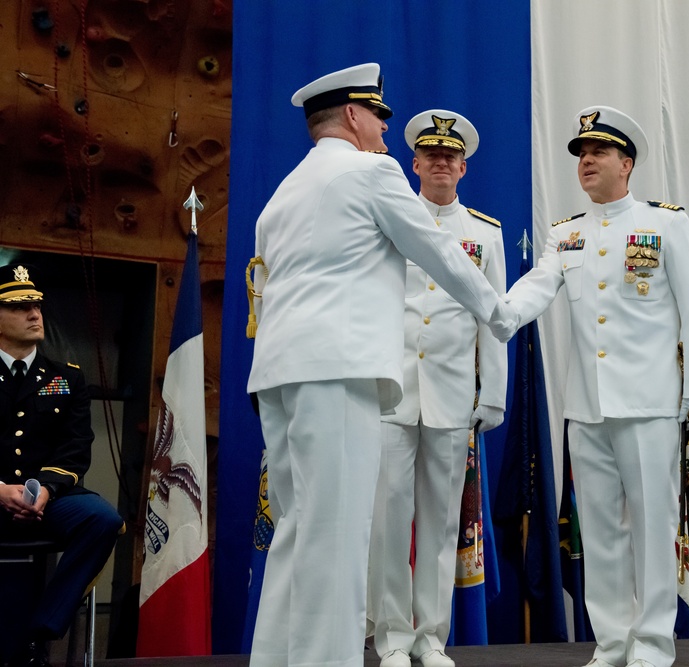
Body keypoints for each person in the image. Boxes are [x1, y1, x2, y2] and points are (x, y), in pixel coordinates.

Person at [245, 64, 515, 667]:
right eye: (380, 117)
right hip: (337, 373)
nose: (387, 131)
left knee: (297, 529)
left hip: (279, 376)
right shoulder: (371, 172)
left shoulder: (284, 192)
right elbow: (438, 247)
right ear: (351, 116)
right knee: (339, 538)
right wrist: (499, 313)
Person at [501, 107, 689, 667]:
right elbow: (536, 288)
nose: (586, 161)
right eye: (579, 154)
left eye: (597, 152)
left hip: (648, 402)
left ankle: (652, 643)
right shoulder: (565, 234)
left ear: (627, 163)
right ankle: (613, 641)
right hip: (588, 406)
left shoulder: (665, 223)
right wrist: (496, 311)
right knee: (597, 532)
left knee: (652, 527)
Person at [367, 110, 507, 667]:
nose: (442, 162)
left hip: (451, 394)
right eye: (432, 155)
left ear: (464, 167)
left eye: (451, 156)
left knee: (443, 522)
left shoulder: (485, 234)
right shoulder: (390, 219)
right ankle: (394, 638)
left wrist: (492, 393)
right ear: (415, 163)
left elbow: (495, 320)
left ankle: (431, 639)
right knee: (389, 520)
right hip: (393, 390)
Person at [0, 264, 123, 667]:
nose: (34, 313)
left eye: (36, 304)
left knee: (102, 519)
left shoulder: (64, 378)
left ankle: (41, 630)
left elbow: (74, 449)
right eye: (19, 307)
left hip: (47, 498)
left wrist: (46, 490)